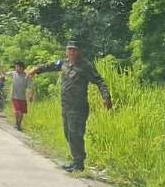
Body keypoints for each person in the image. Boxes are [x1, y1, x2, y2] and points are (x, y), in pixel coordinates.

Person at [29, 41, 112, 172]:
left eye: (74, 50)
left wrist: (106, 97)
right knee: (68, 134)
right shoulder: (63, 63)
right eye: (70, 50)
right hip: (66, 106)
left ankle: (79, 163)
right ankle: (76, 160)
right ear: (66, 51)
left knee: (75, 134)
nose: (72, 52)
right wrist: (36, 69)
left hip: (78, 107)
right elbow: (49, 66)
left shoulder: (85, 66)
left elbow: (99, 81)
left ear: (78, 52)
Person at [8, 61, 32, 131]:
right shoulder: (13, 73)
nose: (16, 68)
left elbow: (30, 86)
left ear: (21, 68)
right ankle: (17, 123)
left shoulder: (26, 76)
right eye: (16, 67)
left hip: (22, 97)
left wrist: (30, 95)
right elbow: (4, 74)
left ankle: (19, 124)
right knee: (17, 111)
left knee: (21, 112)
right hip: (14, 96)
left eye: (17, 67)